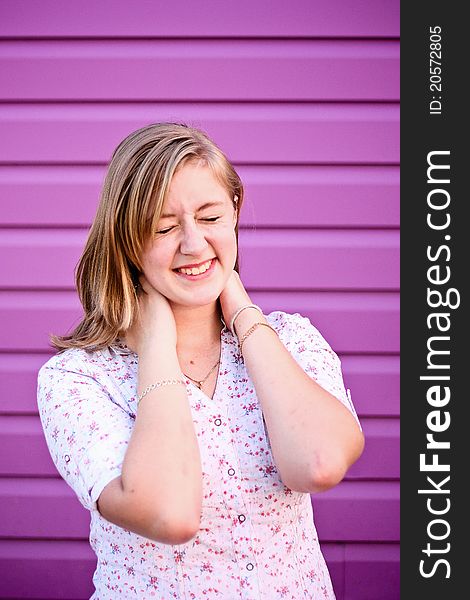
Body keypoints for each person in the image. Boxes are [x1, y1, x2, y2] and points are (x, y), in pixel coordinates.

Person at [37, 122, 364, 600]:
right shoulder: (78, 380)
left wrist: (241, 310)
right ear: (127, 242)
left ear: (235, 211)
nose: (193, 244)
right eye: (164, 228)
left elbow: (318, 463)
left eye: (209, 218)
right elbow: (171, 513)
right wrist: (155, 347)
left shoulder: (291, 338)